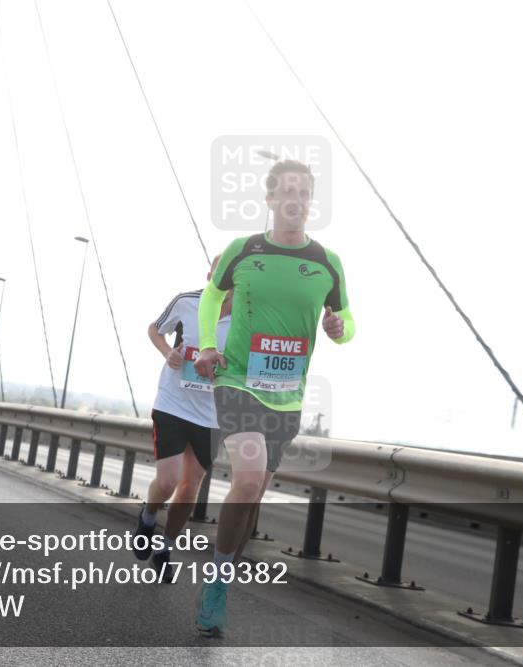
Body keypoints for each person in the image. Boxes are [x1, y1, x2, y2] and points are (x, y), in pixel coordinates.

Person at [193, 160, 356, 636]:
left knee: (255, 491)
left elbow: (347, 323)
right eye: (287, 192)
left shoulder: (327, 262)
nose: (296, 201)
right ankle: (219, 585)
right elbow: (209, 298)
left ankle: (221, 573)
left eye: (304, 193)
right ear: (269, 200)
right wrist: (207, 345)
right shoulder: (243, 251)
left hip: (286, 396)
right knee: (246, 482)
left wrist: (339, 328)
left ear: (311, 201)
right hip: (238, 380)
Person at [132, 258, 232, 581]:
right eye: (220, 272)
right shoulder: (187, 301)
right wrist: (168, 352)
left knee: (190, 488)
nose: (225, 279)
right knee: (168, 481)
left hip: (211, 414)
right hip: (173, 402)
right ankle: (147, 516)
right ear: (210, 275)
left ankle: (165, 545)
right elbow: (154, 329)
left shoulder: (247, 318)